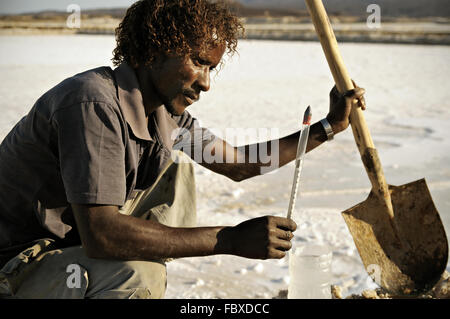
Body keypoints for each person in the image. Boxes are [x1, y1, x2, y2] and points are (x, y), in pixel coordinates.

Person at [0, 0, 366, 299]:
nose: (206, 84)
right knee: (135, 274)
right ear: (155, 50)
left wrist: (328, 127)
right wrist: (231, 239)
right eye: (199, 63)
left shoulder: (164, 113)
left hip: (71, 247)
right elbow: (103, 234)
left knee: (177, 169)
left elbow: (237, 164)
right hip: (17, 264)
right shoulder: (93, 102)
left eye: (212, 68)